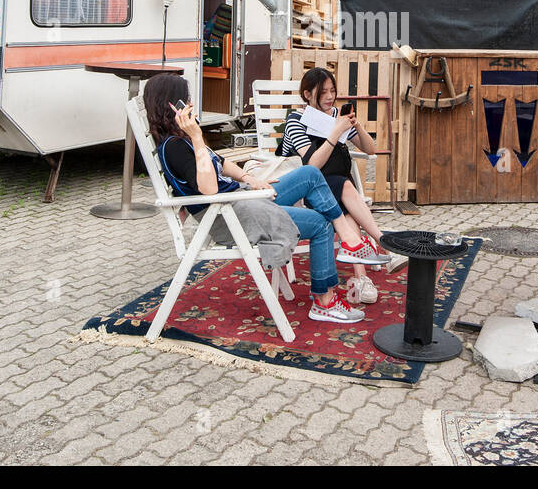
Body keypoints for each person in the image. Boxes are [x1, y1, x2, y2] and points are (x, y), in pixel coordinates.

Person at [143, 73, 371, 324]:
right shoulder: (176, 146)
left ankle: (349, 238)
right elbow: (208, 189)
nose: (191, 105)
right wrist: (197, 137)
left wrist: (250, 178)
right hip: (227, 215)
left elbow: (220, 161)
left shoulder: (181, 140)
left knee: (309, 173)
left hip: (243, 199)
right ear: (171, 107)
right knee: (319, 223)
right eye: (185, 101)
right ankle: (324, 301)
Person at [281, 67, 391, 304]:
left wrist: (355, 124)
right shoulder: (296, 120)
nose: (330, 97)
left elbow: (370, 150)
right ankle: (383, 242)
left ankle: (361, 279)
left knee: (347, 205)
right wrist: (335, 133)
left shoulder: (335, 117)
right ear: (308, 94)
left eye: (333, 91)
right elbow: (311, 165)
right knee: (346, 191)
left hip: (339, 186)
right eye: (323, 93)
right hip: (312, 188)